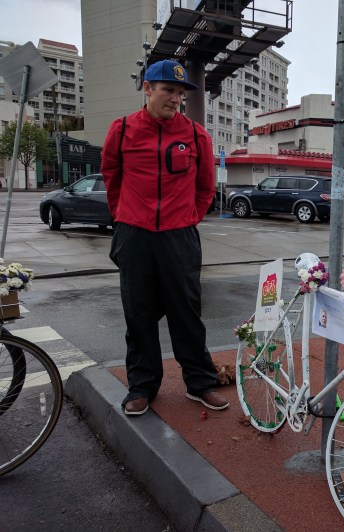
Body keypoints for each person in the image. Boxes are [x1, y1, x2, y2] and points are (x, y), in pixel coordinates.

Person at [101, 59, 228, 416]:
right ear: (147, 89)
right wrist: (123, 217)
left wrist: (187, 219)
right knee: (138, 313)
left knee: (186, 312)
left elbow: (205, 189)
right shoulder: (122, 129)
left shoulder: (196, 135)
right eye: (168, 91)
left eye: (180, 93)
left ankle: (200, 383)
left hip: (178, 235)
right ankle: (142, 386)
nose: (176, 99)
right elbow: (111, 176)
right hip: (134, 234)